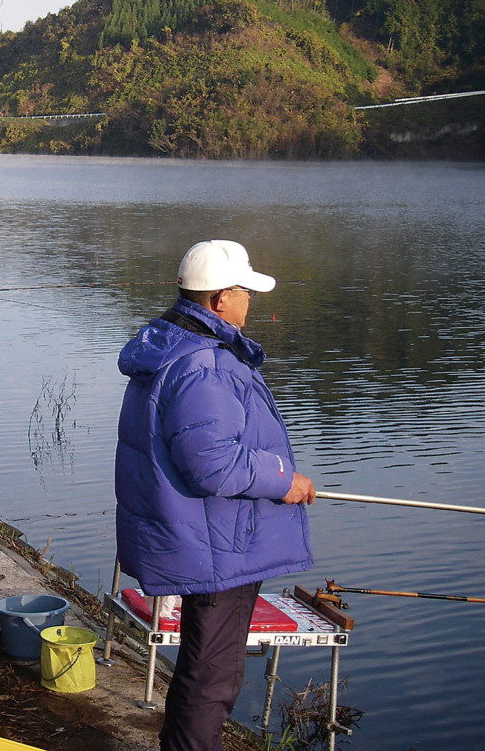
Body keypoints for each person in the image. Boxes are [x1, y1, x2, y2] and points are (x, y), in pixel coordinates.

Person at [114, 239, 316, 751]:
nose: (250, 299)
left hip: (202, 535)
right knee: (213, 677)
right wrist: (282, 479)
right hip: (217, 543)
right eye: (244, 289)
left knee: (204, 667)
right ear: (220, 299)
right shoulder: (205, 364)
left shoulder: (175, 345)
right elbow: (214, 464)